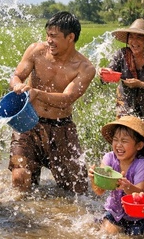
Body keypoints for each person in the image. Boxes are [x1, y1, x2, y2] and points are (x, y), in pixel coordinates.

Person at [9, 11, 95, 194]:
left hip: (61, 128)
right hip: (28, 123)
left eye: (54, 36)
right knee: (20, 177)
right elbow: (17, 75)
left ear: (70, 37)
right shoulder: (35, 51)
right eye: (48, 35)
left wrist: (36, 93)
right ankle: (22, 220)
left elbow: (67, 99)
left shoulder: (85, 68)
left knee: (78, 189)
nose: (49, 40)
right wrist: (17, 85)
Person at [89, 116, 144, 236]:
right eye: (115, 140)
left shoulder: (142, 165)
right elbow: (99, 191)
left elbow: (142, 195)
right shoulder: (109, 158)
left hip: (139, 215)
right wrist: (94, 179)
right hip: (115, 211)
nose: (118, 145)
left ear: (139, 146)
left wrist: (127, 187)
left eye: (124, 141)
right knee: (105, 233)